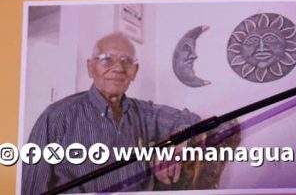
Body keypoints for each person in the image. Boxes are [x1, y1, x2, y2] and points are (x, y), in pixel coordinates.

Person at [22, 32, 200, 194]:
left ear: (134, 71)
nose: (118, 68)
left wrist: (174, 143)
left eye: (126, 61)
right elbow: (32, 188)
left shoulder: (144, 113)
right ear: (91, 67)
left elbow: (190, 119)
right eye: (107, 59)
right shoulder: (57, 117)